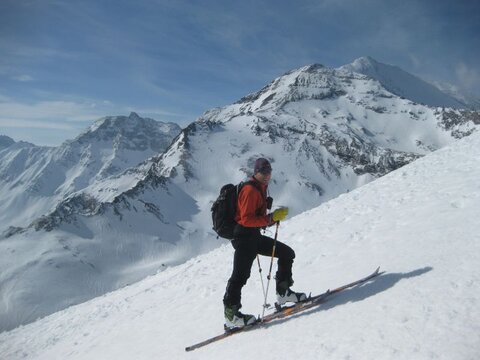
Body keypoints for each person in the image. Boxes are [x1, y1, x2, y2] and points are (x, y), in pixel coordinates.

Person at [223, 157, 306, 329]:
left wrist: (271, 219)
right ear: (256, 173)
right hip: (244, 238)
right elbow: (246, 220)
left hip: (253, 236)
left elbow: (255, 218)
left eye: (269, 171)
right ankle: (231, 316)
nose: (267, 175)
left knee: (286, 254)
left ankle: (283, 292)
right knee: (239, 276)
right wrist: (270, 218)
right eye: (263, 172)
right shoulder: (250, 191)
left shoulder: (261, 188)